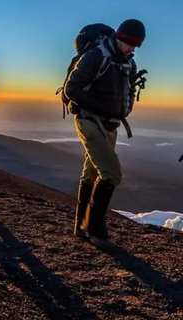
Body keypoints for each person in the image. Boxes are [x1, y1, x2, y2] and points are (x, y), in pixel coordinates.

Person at [64, 19, 146, 250]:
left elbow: (127, 92)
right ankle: (96, 232)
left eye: (135, 46)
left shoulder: (129, 64)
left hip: (111, 125)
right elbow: (72, 89)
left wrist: (123, 110)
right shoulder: (96, 56)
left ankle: (80, 227)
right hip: (89, 121)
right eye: (128, 43)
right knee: (112, 174)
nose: (132, 49)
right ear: (118, 38)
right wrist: (101, 109)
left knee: (90, 175)